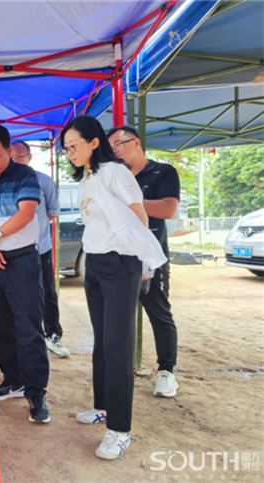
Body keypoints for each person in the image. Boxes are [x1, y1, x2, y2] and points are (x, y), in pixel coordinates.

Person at [62, 116, 167, 459]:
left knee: (118, 345)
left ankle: (120, 430)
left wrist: (145, 262)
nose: (70, 153)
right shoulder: (88, 178)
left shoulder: (115, 172)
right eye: (66, 148)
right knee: (102, 340)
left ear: (94, 142)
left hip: (121, 264)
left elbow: (140, 216)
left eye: (74, 146)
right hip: (95, 263)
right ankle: (103, 407)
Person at [0, 125, 51, 424]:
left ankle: (35, 391)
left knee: (29, 327)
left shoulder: (25, 175)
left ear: (9, 151)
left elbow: (26, 213)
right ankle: (12, 380)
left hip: (22, 260)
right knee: (1, 326)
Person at [108, 125, 181, 398]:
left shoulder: (163, 172)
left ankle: (167, 372)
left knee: (159, 312)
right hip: (117, 256)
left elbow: (168, 209)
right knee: (116, 318)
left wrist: (130, 202)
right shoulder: (115, 174)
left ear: (136, 142)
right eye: (111, 148)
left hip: (150, 256)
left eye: (119, 144)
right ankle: (119, 371)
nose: (115, 151)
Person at [10, 140, 68, 358]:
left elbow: (52, 213)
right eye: (11, 156)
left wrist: (34, 231)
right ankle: (20, 337)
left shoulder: (44, 181)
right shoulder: (4, 182)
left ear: (29, 157)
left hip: (40, 249)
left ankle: (53, 335)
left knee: (47, 292)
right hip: (13, 251)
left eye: (19, 156)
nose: (15, 160)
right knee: (16, 295)